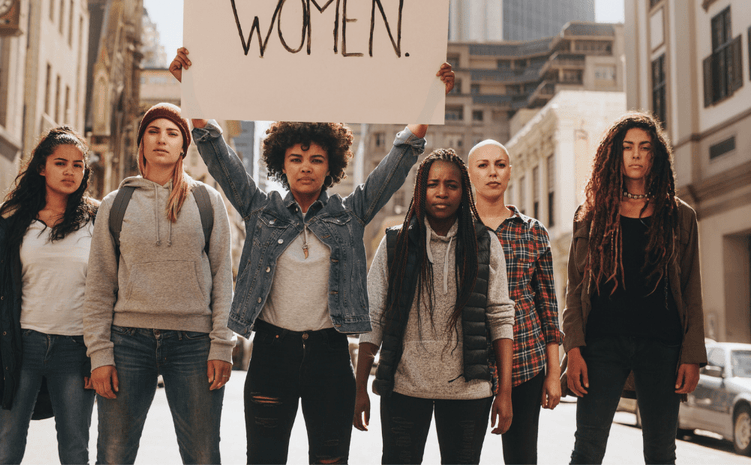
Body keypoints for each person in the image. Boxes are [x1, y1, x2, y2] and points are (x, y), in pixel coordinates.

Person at [169, 47, 455, 464]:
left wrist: (431, 98)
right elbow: (219, 156)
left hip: (330, 355)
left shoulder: (351, 214)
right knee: (265, 458)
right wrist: (191, 92)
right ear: (281, 163)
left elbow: (398, 162)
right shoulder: (260, 210)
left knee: (330, 458)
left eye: (317, 159)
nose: (306, 166)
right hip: (271, 352)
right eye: (296, 158)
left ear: (331, 166)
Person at [84, 102, 234, 465]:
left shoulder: (207, 202)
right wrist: (99, 353)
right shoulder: (114, 204)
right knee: (113, 455)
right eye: (153, 131)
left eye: (172, 133)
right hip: (127, 342)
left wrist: (222, 345)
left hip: (194, 345)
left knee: (202, 455)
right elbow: (100, 284)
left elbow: (223, 280)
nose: (162, 139)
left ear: (184, 146)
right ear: (141, 143)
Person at [354, 148, 515, 465]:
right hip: (404, 388)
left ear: (463, 190)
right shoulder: (394, 244)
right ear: (419, 189)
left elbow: (500, 318)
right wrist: (360, 387)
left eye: (452, 185)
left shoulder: (485, 244)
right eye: (433, 184)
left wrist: (505, 392)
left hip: (470, 392)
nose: (442, 192)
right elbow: (373, 317)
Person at [562, 112, 705, 464]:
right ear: (616, 154)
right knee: (587, 449)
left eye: (644, 147)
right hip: (601, 345)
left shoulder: (679, 216)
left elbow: (691, 288)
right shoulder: (592, 214)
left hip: (662, 346)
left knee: (661, 452)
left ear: (655, 155)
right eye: (627, 147)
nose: (636, 154)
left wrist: (691, 354)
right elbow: (575, 288)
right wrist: (575, 347)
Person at [0, 126, 97, 464]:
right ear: (42, 167)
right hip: (20, 346)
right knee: (6, 447)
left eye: (78, 165)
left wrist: (98, 356)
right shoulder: (12, 221)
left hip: (75, 349)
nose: (70, 171)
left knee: (75, 450)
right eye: (61, 163)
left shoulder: (97, 221)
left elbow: (107, 294)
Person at [468, 139, 562, 464]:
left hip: (526, 361)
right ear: (470, 174)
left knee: (522, 458)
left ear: (509, 172)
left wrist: (552, 373)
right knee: (463, 456)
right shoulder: (457, 230)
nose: (492, 172)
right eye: (483, 165)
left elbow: (549, 308)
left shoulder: (533, 232)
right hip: (469, 364)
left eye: (500, 164)